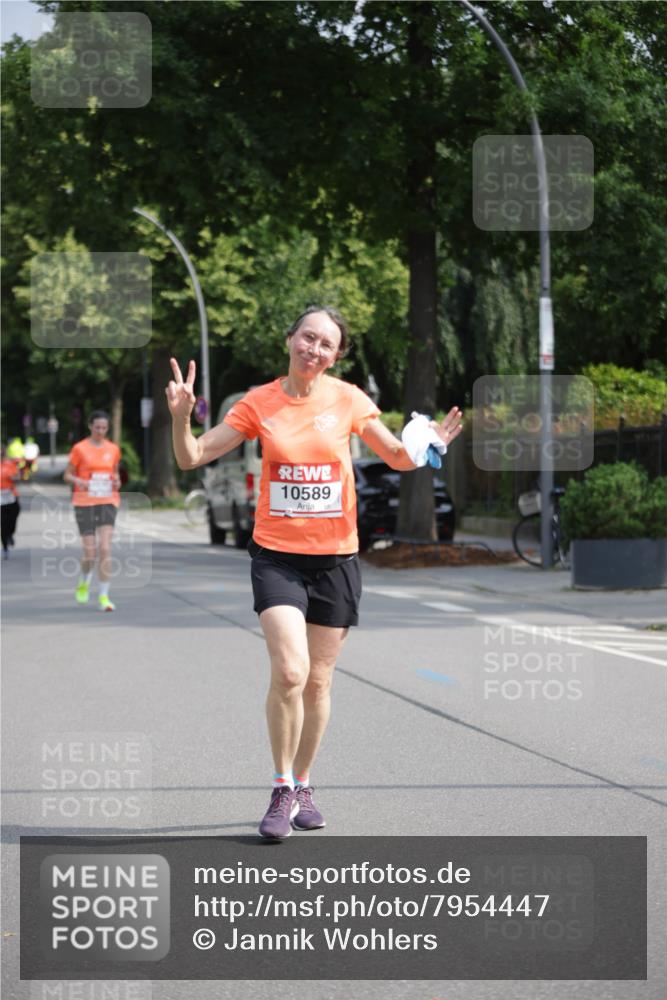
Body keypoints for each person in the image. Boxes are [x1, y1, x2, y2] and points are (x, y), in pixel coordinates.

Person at [166, 306, 463, 839]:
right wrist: (180, 416)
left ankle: (304, 782)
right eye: (308, 337)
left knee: (320, 682)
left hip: (337, 560)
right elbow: (192, 458)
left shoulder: (348, 398)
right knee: (291, 673)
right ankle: (282, 789)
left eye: (327, 344)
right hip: (277, 557)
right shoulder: (259, 402)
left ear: (336, 355)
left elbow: (396, 457)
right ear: (290, 339)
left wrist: (427, 443)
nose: (315, 349)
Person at [63, 411, 121, 612]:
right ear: (90, 426)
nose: (100, 431)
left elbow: (114, 473)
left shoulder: (113, 449)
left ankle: (104, 597)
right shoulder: (80, 448)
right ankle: (84, 582)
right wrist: (78, 480)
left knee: (105, 549)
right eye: (97, 427)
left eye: (104, 428)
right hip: (84, 502)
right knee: (90, 552)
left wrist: (117, 480)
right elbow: (67, 475)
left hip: (107, 500)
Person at [1, 446, 21, 559]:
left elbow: (18, 477)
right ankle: (5, 548)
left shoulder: (10, 465)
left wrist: (14, 478)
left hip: (11, 496)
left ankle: (10, 534)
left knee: (12, 519)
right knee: (3, 523)